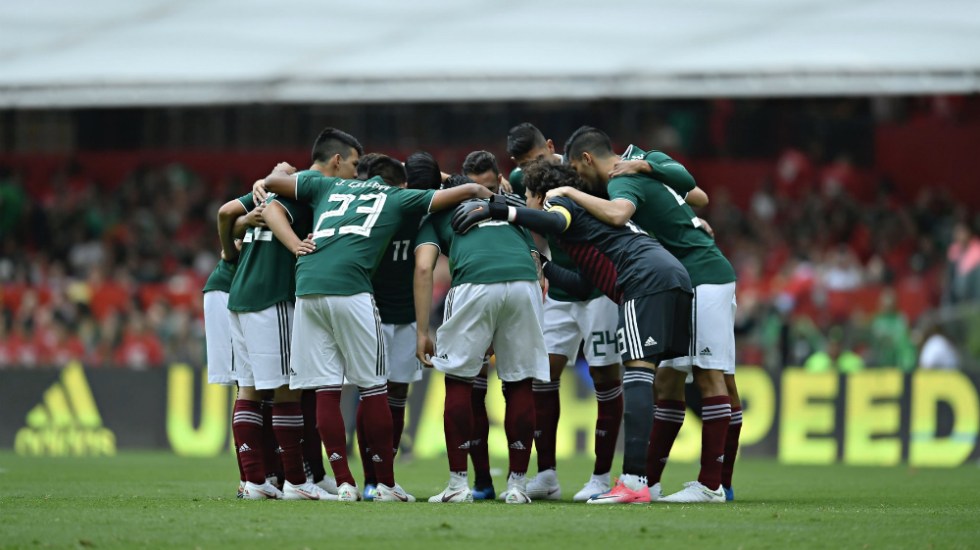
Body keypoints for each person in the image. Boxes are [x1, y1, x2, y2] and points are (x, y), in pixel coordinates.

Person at [256, 127, 493, 503]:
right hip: (351, 289)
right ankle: (384, 484)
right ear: (398, 182)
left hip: (308, 285)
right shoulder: (398, 197)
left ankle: (345, 483)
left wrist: (275, 174)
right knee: (373, 387)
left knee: (327, 388)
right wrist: (480, 191)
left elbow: (272, 185)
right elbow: (459, 193)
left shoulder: (326, 186)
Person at [453, 160, 693, 505]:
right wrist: (544, 263)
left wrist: (499, 209)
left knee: (638, 375)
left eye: (528, 197)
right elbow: (583, 285)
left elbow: (554, 219)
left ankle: (633, 482)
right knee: (649, 376)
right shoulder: (582, 228)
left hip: (646, 280)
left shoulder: (559, 201)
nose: (530, 203)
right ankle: (641, 482)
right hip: (668, 277)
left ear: (537, 194)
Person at [553, 126, 737, 503]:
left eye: (577, 170)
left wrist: (570, 193)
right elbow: (696, 196)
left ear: (587, 159)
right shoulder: (640, 162)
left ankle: (712, 485)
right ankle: (648, 482)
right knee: (669, 381)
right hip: (684, 279)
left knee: (709, 376)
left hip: (703, 274)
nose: (578, 179)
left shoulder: (622, 180)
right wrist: (681, 215)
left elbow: (621, 215)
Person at [505, 122, 624, 502]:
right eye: (522, 165)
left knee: (606, 377)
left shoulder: (581, 170)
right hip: (559, 287)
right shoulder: (522, 178)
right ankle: (548, 474)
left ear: (551, 148)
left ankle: (602, 476)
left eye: (535, 160)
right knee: (544, 376)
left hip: (599, 287)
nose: (529, 169)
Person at [415, 175, 549, 504]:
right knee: (520, 383)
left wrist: (421, 331)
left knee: (460, 382)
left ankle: (459, 485)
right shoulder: (509, 206)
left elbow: (423, 269)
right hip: (524, 284)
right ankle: (517, 486)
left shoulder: (436, 215)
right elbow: (537, 262)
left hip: (474, 283)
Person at [217, 186, 324, 500]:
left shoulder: (262, 198)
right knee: (286, 391)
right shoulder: (297, 200)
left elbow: (227, 214)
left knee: (248, 389)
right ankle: (295, 481)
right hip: (271, 296)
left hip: (239, 297)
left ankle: (254, 482)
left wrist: (230, 251)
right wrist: (295, 245)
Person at [355, 154, 439, 501]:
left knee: (370, 397)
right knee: (394, 400)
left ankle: (372, 480)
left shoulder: (369, 208)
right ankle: (382, 480)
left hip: (371, 313)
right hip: (401, 318)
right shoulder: (422, 214)